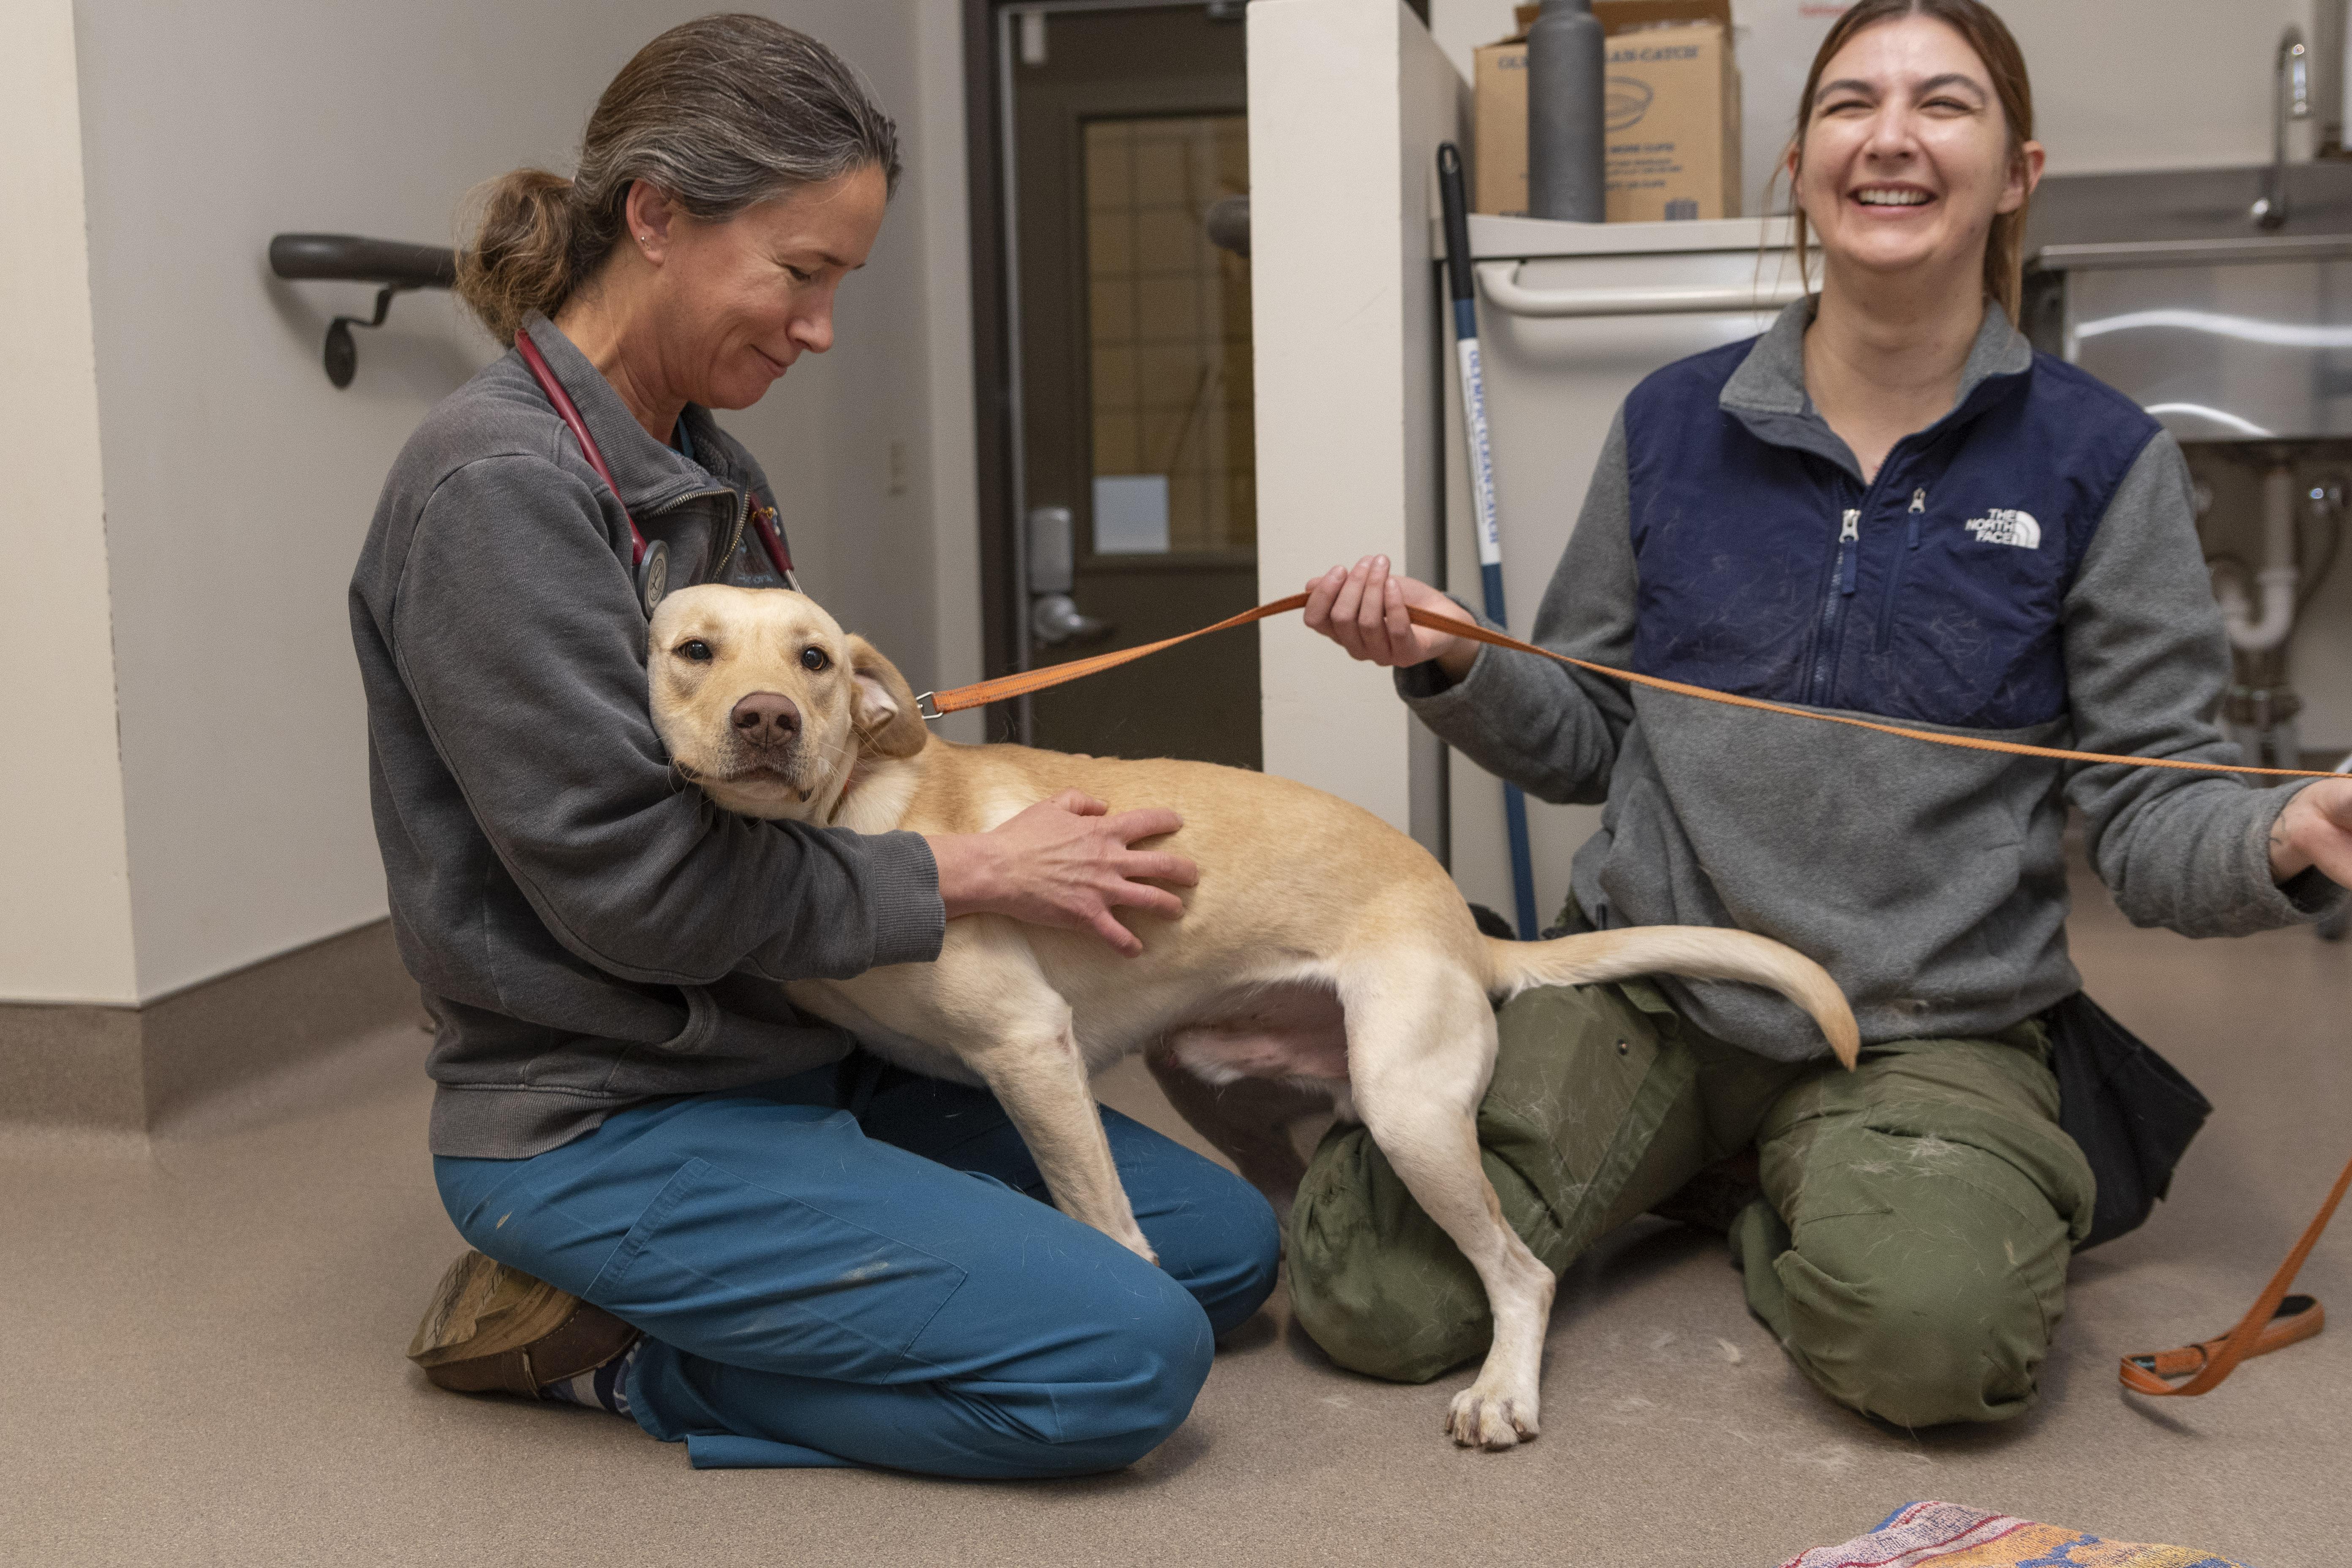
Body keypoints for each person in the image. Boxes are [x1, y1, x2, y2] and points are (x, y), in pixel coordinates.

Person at [1293, 0, 2352, 1429]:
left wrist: (2286, 829)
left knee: (1930, 1345)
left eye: (1944, 104)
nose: (1892, 137)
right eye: (1852, 103)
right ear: (1800, 164)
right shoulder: (1673, 424)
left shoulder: (2105, 461)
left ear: (2018, 170)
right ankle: (1731, 1157)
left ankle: (1776, 1189)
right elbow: (1592, 731)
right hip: (1652, 980)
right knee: (1368, 1293)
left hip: (1926, 1027)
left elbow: (2157, 810)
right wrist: (1454, 660)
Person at [350, 16, 1277, 1477]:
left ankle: (796, 1259)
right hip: (609, 1118)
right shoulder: (498, 491)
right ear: (655, 216)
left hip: (796, 1056)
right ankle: (621, 1358)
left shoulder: (711, 469)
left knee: (1226, 1252)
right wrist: (964, 872)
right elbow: (640, 895)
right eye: (802, 272)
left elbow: (792, 774)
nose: (822, 325)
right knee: (1131, 1357)